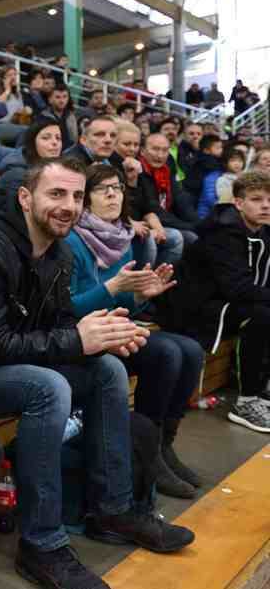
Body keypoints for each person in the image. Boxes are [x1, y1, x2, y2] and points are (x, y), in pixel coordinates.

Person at [0, 157, 194, 589]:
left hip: (3, 366)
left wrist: (106, 333)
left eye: (77, 197)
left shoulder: (56, 252)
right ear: (26, 198)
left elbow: (56, 325)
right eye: (56, 194)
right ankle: (41, 544)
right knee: (50, 387)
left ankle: (112, 508)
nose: (69, 206)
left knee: (107, 370)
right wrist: (78, 340)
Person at [64, 163, 204, 499]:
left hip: (113, 327)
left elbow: (124, 303)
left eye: (117, 187)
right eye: (103, 189)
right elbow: (68, 310)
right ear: (85, 200)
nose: (113, 194)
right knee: (165, 353)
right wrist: (113, 288)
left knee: (192, 350)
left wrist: (140, 295)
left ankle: (162, 444)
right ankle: (147, 453)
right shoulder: (72, 240)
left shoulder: (122, 236)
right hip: (80, 334)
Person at [156, 171, 270, 434]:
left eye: (268, 200)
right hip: (197, 306)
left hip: (229, 299)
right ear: (239, 203)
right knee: (261, 316)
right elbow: (236, 288)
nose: (265, 205)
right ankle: (246, 402)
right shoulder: (223, 233)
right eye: (256, 199)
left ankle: (264, 390)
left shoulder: (263, 231)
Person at [114, 120, 183, 268]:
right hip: (119, 225)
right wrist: (129, 223)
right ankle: (142, 285)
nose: (132, 149)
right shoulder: (111, 168)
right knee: (149, 238)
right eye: (126, 144)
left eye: (135, 145)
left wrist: (157, 226)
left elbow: (145, 205)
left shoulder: (134, 167)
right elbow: (114, 207)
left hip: (140, 222)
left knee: (175, 237)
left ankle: (157, 281)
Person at [0, 115, 62, 210]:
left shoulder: (50, 165)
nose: (55, 142)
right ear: (32, 142)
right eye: (46, 138)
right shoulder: (16, 171)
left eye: (58, 138)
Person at [139, 132, 199, 246]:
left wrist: (198, 223)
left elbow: (180, 199)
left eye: (165, 150)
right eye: (155, 149)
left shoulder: (167, 168)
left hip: (169, 219)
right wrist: (191, 227)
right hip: (150, 221)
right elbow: (153, 208)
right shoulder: (139, 171)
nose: (160, 155)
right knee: (190, 237)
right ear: (142, 151)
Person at [187, 134, 224, 218]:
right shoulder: (209, 163)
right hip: (200, 198)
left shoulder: (198, 159)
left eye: (221, 147)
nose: (221, 150)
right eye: (218, 148)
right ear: (206, 150)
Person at [42, 86, 79, 151]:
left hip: (70, 151)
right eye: (57, 97)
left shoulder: (70, 116)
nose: (62, 100)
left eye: (65, 97)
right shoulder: (44, 116)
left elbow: (74, 139)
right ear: (50, 100)